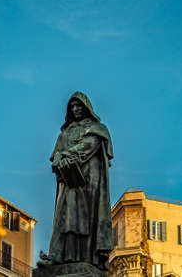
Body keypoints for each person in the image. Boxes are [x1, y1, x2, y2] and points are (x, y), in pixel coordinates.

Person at [40, 92, 114, 270]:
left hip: (89, 179)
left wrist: (65, 154)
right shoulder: (64, 133)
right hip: (68, 178)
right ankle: (59, 256)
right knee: (63, 216)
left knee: (85, 217)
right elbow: (55, 155)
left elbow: (89, 145)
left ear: (86, 106)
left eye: (79, 105)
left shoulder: (97, 128)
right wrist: (59, 159)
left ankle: (86, 258)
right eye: (72, 106)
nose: (76, 109)